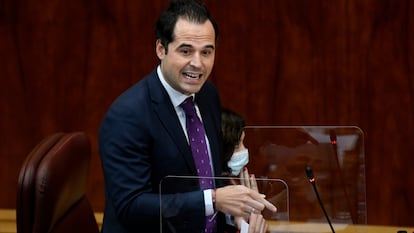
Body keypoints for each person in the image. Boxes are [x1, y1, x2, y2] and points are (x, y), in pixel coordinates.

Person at [98, 0, 277, 233]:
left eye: (206, 52)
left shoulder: (207, 94)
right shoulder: (126, 116)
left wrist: (238, 217)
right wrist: (213, 200)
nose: (197, 63)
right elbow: (132, 206)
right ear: (161, 49)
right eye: (185, 51)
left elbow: (206, 176)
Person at [221, 108, 268, 233]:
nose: (244, 150)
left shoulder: (231, 183)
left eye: (243, 142)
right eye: (237, 145)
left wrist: (248, 219)